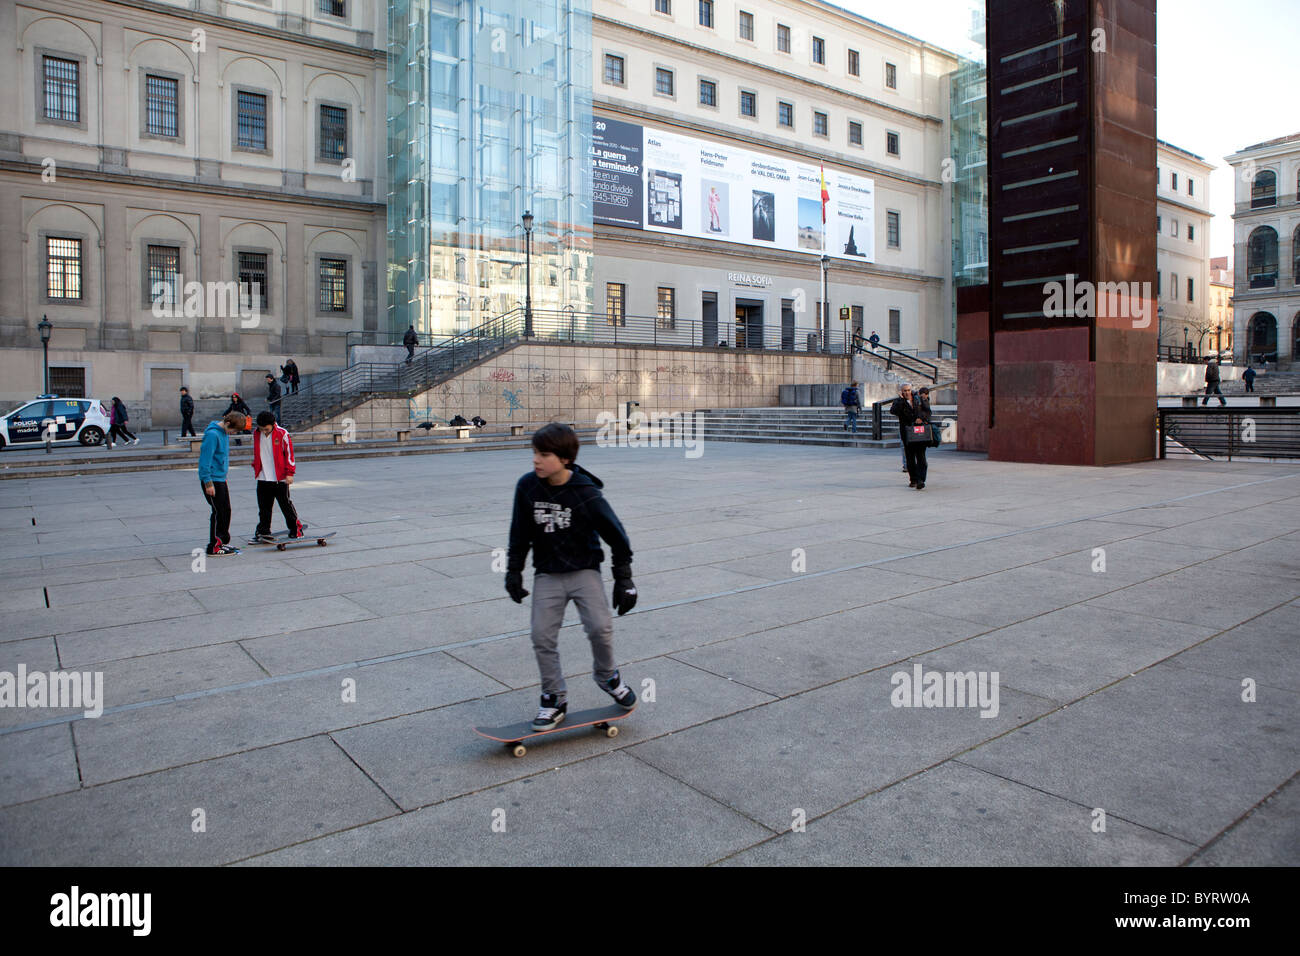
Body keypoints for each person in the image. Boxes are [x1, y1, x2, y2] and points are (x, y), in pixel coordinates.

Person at [505, 423, 638, 731]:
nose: (536, 460)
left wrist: (624, 579)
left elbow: (618, 537)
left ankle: (607, 677)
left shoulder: (585, 493)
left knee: (600, 627)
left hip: (584, 571)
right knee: (541, 635)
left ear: (564, 458)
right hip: (548, 574)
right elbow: (519, 533)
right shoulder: (527, 487)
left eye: (544, 454)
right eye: (534, 453)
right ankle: (554, 697)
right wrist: (513, 570)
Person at [251, 411, 305, 543]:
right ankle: (263, 530)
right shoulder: (256, 433)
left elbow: (289, 454)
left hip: (280, 477)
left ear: (273, 424)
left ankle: (295, 528)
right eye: (261, 428)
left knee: (285, 504)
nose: (264, 431)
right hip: (263, 476)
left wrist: (290, 473)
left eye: (267, 429)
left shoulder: (282, 433)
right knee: (264, 507)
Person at [198, 412, 246, 556]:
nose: (232, 433)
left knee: (226, 510)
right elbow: (204, 461)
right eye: (233, 430)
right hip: (212, 480)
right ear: (227, 424)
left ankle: (222, 542)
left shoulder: (223, 433)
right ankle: (214, 546)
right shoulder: (213, 435)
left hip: (220, 478)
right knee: (218, 512)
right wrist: (208, 483)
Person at [889, 383, 929, 490]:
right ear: (901, 392)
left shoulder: (918, 399)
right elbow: (893, 411)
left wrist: (921, 418)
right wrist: (901, 401)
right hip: (907, 433)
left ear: (911, 390)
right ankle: (914, 480)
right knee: (910, 458)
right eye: (904, 391)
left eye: (908, 390)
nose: (907, 392)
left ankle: (921, 480)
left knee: (921, 458)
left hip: (919, 432)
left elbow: (927, 411)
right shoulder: (899, 401)